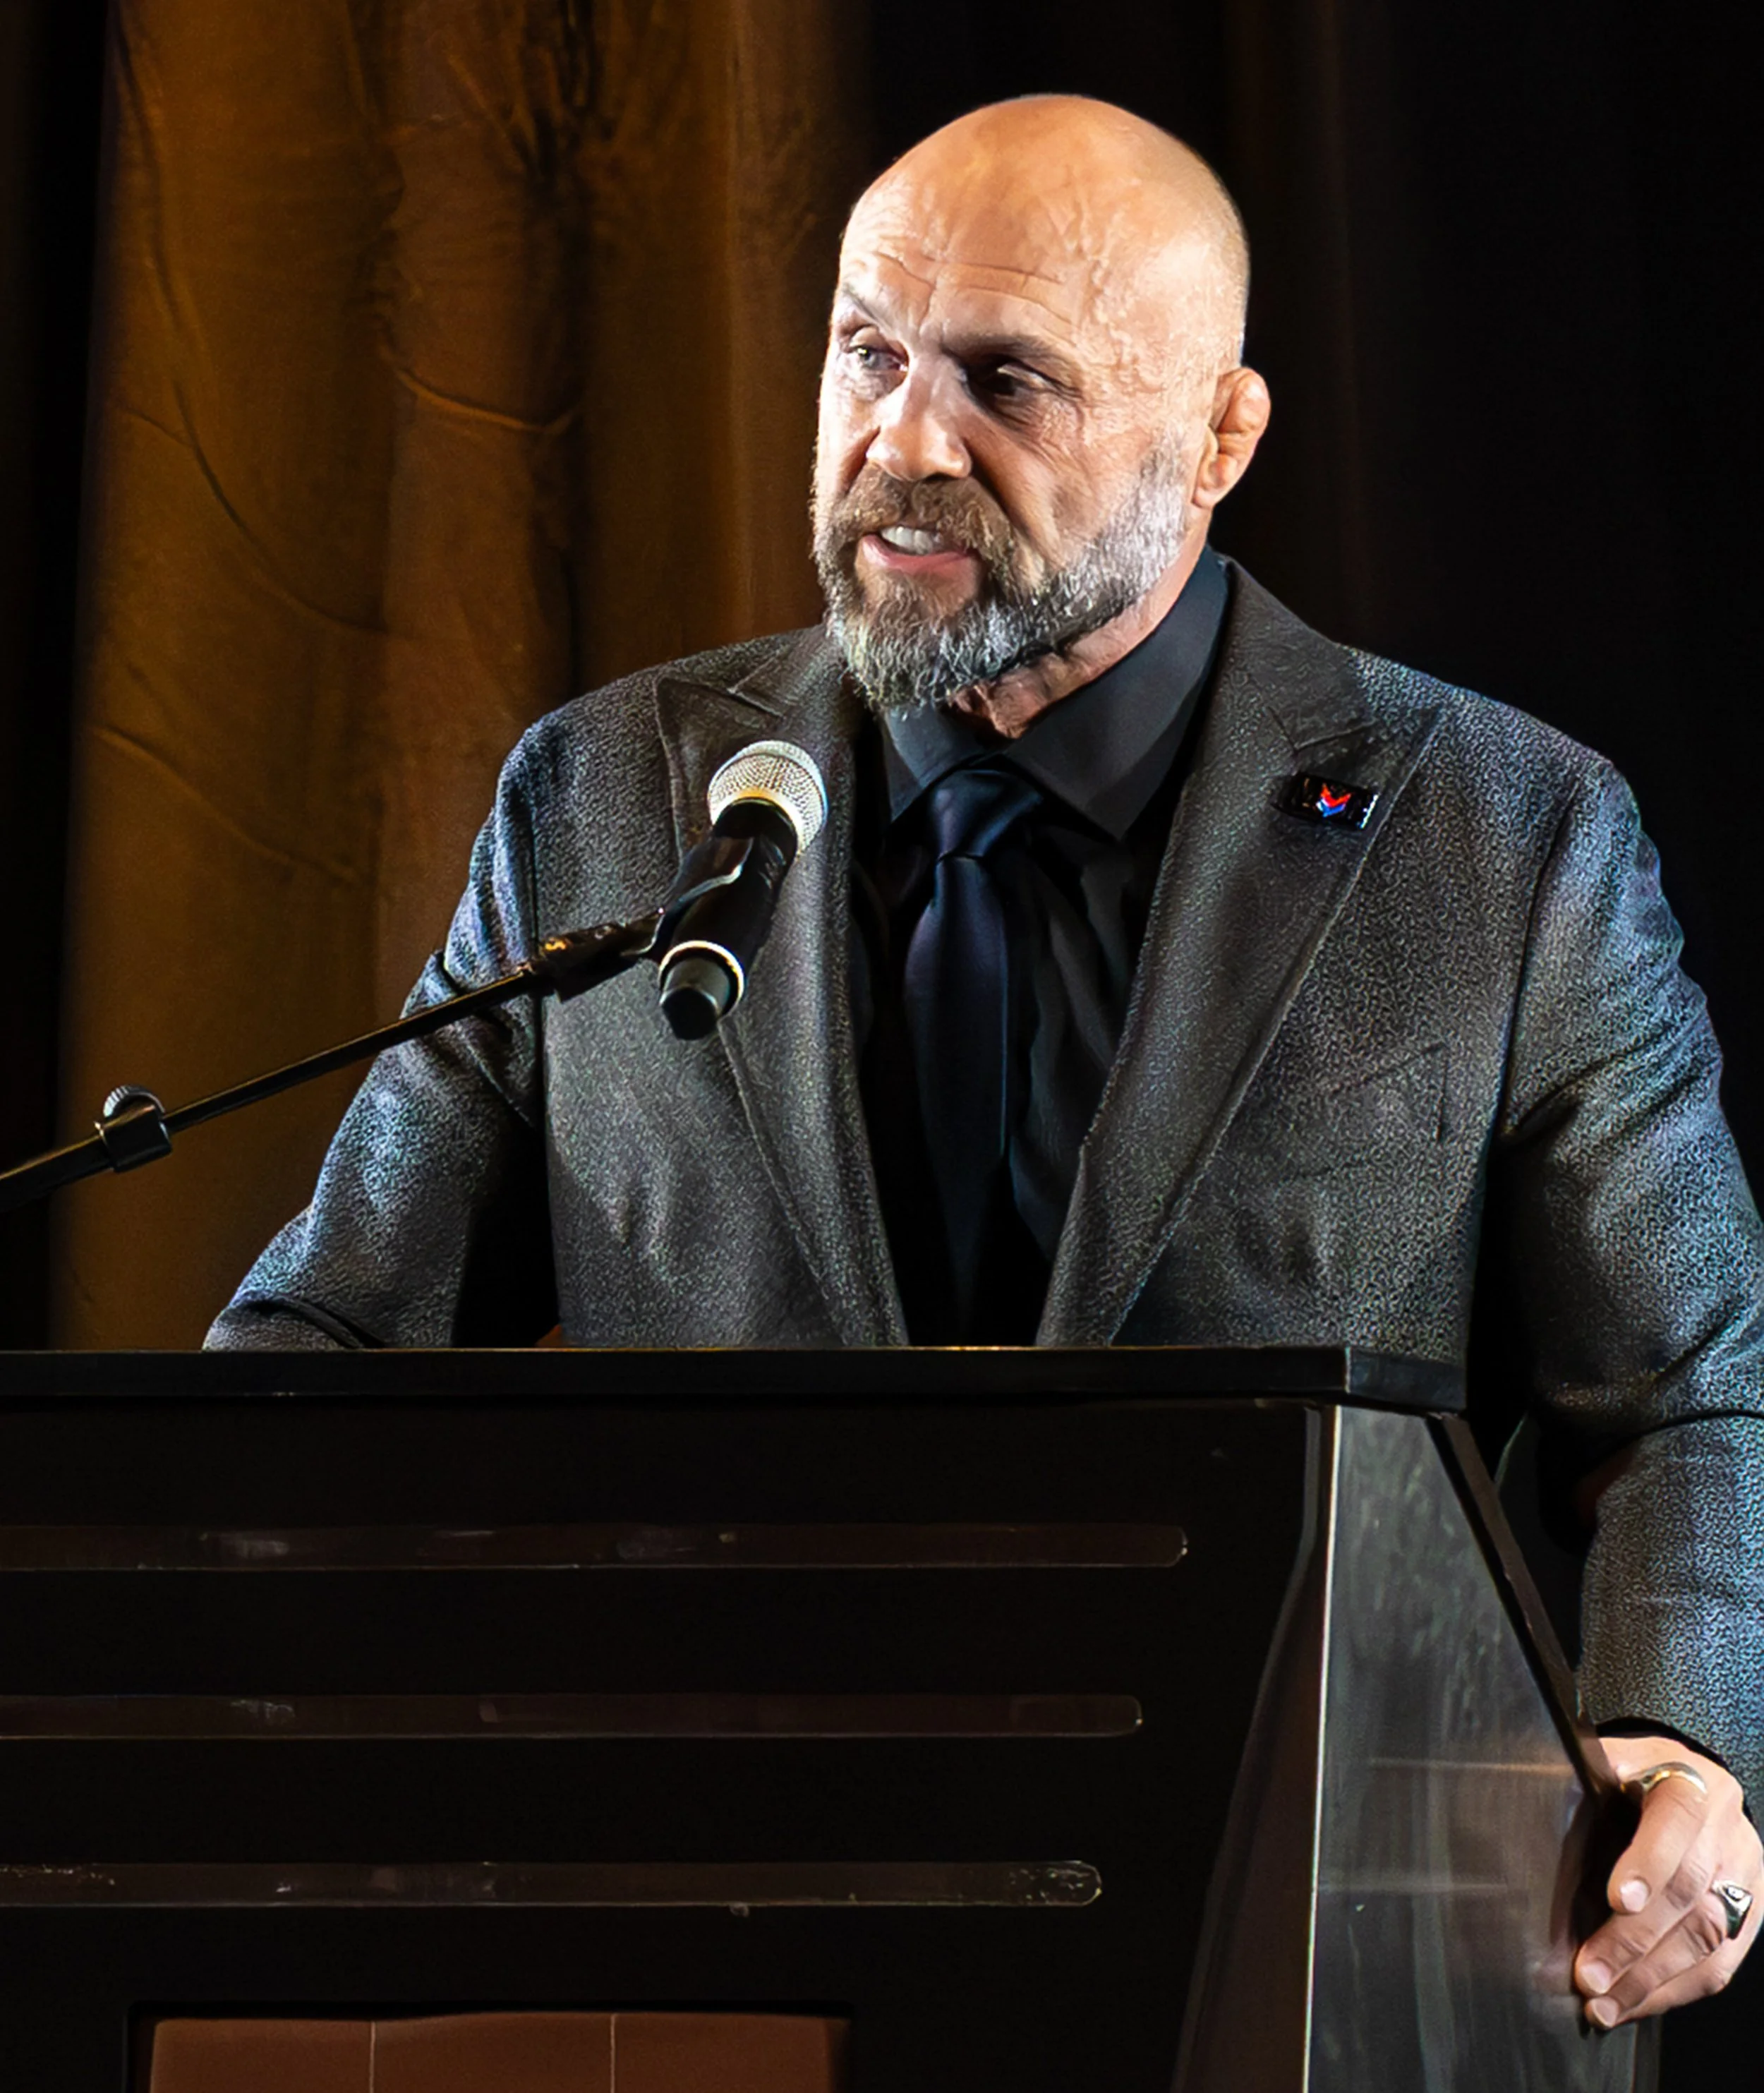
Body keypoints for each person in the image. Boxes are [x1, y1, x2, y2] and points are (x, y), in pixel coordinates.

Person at [208, 95, 1764, 2026]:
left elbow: (1680, 1394)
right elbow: (323, 1351)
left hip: (1288, 1945)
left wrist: (1677, 1748)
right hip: (714, 1964)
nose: (905, 444)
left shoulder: (1502, 836)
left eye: (1004, 378)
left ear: (1218, 437)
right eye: (867, 352)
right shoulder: (608, 803)